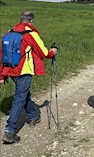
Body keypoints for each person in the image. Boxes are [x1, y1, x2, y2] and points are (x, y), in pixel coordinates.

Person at [1, 11, 59, 144]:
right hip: (24, 71)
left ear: (21, 19)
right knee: (19, 98)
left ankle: (33, 115)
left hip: (10, 70)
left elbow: (1, 54)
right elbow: (44, 53)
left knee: (23, 94)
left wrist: (2, 75)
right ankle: (9, 131)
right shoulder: (30, 34)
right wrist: (53, 51)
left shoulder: (9, 33)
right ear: (31, 21)